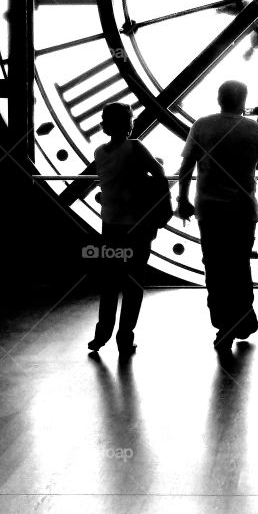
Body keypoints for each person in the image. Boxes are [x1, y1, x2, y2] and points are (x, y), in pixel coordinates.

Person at [175, 80, 258, 356]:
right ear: (243, 101)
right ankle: (241, 319)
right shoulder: (252, 129)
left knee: (216, 268)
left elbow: (186, 166)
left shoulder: (202, 126)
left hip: (209, 210)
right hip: (242, 210)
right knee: (238, 266)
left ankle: (226, 323)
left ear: (219, 99)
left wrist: (182, 199)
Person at [71, 103, 169, 357]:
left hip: (110, 225)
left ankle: (102, 333)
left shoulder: (99, 152)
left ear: (104, 124)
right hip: (137, 226)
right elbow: (158, 173)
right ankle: (125, 336)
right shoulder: (135, 147)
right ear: (130, 124)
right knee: (133, 284)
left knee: (110, 282)